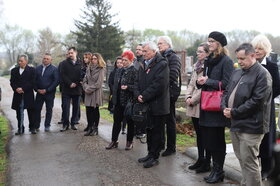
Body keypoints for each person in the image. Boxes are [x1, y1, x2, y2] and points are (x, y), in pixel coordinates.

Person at [222, 43, 272, 186]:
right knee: (242, 160)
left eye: (243, 58)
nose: (239, 61)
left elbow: (257, 101)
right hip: (235, 122)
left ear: (253, 55)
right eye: (238, 58)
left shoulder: (262, 74)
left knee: (249, 162)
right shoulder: (238, 71)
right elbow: (227, 92)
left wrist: (234, 112)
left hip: (252, 125)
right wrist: (224, 107)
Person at [197, 31, 234, 183]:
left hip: (217, 107)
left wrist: (207, 81)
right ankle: (215, 169)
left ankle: (219, 171)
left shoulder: (226, 61)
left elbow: (227, 84)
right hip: (206, 105)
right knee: (209, 140)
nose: (209, 43)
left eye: (211, 41)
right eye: (208, 40)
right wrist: (202, 81)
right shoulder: (209, 60)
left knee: (217, 141)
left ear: (218, 43)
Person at [135, 41, 170, 168]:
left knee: (157, 132)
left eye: (145, 51)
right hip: (146, 104)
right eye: (142, 51)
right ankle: (149, 153)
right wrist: (138, 94)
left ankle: (155, 156)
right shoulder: (143, 64)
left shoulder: (162, 64)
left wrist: (143, 96)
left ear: (154, 52)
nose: (143, 54)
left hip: (158, 105)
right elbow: (137, 81)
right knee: (149, 130)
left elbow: (159, 85)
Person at [251, 35, 280, 179]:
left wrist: (264, 100)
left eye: (260, 48)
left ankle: (266, 170)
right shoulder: (249, 64)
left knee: (267, 138)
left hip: (266, 108)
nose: (257, 51)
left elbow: (277, 86)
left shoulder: (272, 66)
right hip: (250, 108)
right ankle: (254, 169)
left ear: (266, 50)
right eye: (255, 48)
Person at [186, 43, 211, 173]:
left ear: (207, 53)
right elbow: (191, 83)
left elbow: (204, 88)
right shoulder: (196, 66)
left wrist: (193, 100)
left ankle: (206, 161)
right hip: (193, 103)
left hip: (201, 104)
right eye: (197, 51)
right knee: (199, 135)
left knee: (204, 134)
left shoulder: (208, 67)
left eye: (201, 52)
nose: (198, 54)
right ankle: (200, 159)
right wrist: (187, 96)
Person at [106, 51, 137, 150]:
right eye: (122, 60)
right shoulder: (119, 70)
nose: (123, 62)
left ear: (131, 60)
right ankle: (114, 141)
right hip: (118, 101)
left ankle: (129, 142)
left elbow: (137, 87)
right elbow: (115, 86)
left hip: (129, 102)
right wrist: (113, 100)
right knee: (116, 122)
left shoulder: (134, 71)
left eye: (125, 60)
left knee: (130, 123)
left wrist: (128, 87)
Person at [157, 36, 181, 156]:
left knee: (170, 121)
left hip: (169, 94)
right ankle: (161, 144)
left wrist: (159, 84)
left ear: (168, 45)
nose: (158, 45)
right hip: (161, 94)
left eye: (161, 43)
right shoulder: (161, 57)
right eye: (158, 44)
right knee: (161, 120)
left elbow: (172, 75)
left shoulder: (173, 57)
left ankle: (171, 147)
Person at [10, 54, 36, 135]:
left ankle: (32, 128)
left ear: (26, 61)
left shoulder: (32, 70)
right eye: (19, 60)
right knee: (19, 113)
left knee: (31, 112)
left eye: (21, 61)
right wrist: (16, 88)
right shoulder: (14, 70)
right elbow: (12, 82)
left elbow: (32, 82)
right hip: (18, 95)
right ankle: (20, 128)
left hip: (28, 94)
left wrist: (23, 88)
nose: (19, 62)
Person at [59, 47, 83, 132]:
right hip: (67, 89)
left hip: (77, 89)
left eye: (71, 53)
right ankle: (65, 124)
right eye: (69, 53)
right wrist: (70, 83)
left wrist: (76, 83)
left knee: (76, 108)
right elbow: (63, 75)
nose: (70, 55)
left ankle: (73, 123)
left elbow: (82, 75)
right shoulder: (64, 63)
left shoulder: (81, 63)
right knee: (65, 107)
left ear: (76, 53)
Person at [34, 53, 59, 132]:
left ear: (51, 60)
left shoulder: (54, 69)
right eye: (44, 58)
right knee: (37, 109)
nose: (45, 60)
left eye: (47, 59)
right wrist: (37, 89)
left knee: (49, 109)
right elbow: (34, 80)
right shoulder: (37, 68)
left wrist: (47, 90)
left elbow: (56, 81)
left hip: (49, 93)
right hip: (39, 92)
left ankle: (47, 125)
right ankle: (36, 125)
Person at [82, 53, 105, 136]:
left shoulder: (101, 69)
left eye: (95, 59)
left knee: (95, 111)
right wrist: (86, 88)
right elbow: (84, 80)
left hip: (95, 92)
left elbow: (99, 83)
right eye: (92, 59)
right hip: (88, 92)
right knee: (88, 110)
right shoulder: (88, 68)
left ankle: (95, 128)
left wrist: (89, 89)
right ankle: (90, 127)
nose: (93, 60)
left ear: (98, 60)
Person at [133, 44, 146, 139]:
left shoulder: (144, 61)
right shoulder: (135, 61)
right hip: (134, 88)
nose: (137, 51)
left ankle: (141, 131)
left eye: (139, 49)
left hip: (141, 89)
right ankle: (136, 129)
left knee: (141, 112)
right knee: (135, 111)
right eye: (136, 49)